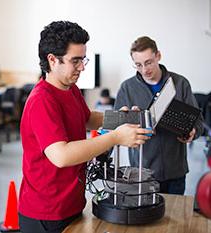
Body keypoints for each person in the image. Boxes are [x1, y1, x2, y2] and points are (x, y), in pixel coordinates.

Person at [18, 21, 152, 233]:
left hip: (70, 203)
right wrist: (116, 137)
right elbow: (61, 155)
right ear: (52, 60)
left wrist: (122, 118)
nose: (82, 67)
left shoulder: (70, 89)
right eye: (76, 60)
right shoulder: (42, 101)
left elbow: (87, 118)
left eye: (83, 59)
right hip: (46, 213)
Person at [114, 36, 204, 195]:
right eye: (138, 65)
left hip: (175, 171)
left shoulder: (180, 83)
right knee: (146, 218)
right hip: (143, 172)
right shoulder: (127, 88)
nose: (144, 70)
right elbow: (116, 126)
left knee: (175, 217)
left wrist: (193, 132)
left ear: (158, 56)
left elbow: (198, 123)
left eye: (148, 62)